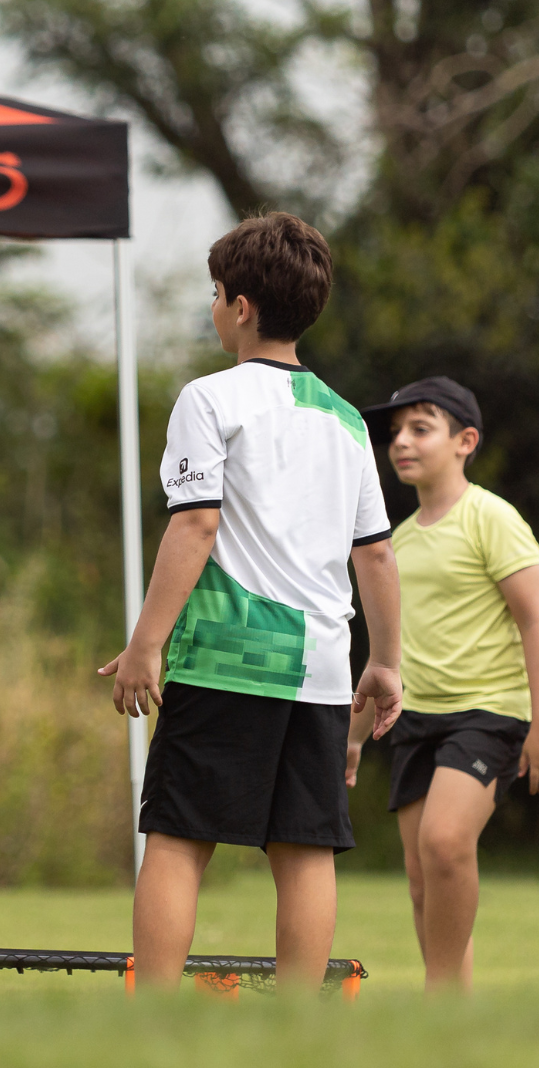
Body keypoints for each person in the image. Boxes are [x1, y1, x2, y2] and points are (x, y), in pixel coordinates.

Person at [99, 212, 402, 991]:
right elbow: (375, 550)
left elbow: (197, 523)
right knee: (304, 848)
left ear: (239, 307)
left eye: (214, 294)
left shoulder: (210, 398)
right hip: (325, 669)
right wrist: (386, 663)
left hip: (230, 656)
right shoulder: (345, 419)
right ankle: (296, 1031)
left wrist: (146, 642)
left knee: (176, 836)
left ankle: (153, 1020)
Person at [349, 377, 539, 991]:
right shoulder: (396, 544)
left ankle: (435, 999)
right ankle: (452, 1016)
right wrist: (352, 737)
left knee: (446, 841)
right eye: (395, 432)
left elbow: (534, 617)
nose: (401, 442)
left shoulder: (492, 519)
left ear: (465, 441)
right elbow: (386, 655)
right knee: (421, 875)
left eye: (420, 428)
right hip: (415, 722)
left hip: (487, 714)